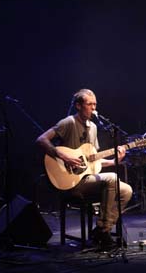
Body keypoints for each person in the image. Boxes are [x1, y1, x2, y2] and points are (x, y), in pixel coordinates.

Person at [36, 88, 132, 250]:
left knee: (126, 190)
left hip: (87, 179)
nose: (93, 108)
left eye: (95, 104)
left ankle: (101, 230)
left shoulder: (93, 127)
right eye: (89, 104)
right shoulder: (68, 123)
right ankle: (103, 232)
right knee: (112, 179)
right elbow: (41, 140)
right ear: (79, 106)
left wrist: (114, 160)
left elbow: (92, 160)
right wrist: (62, 155)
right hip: (69, 181)